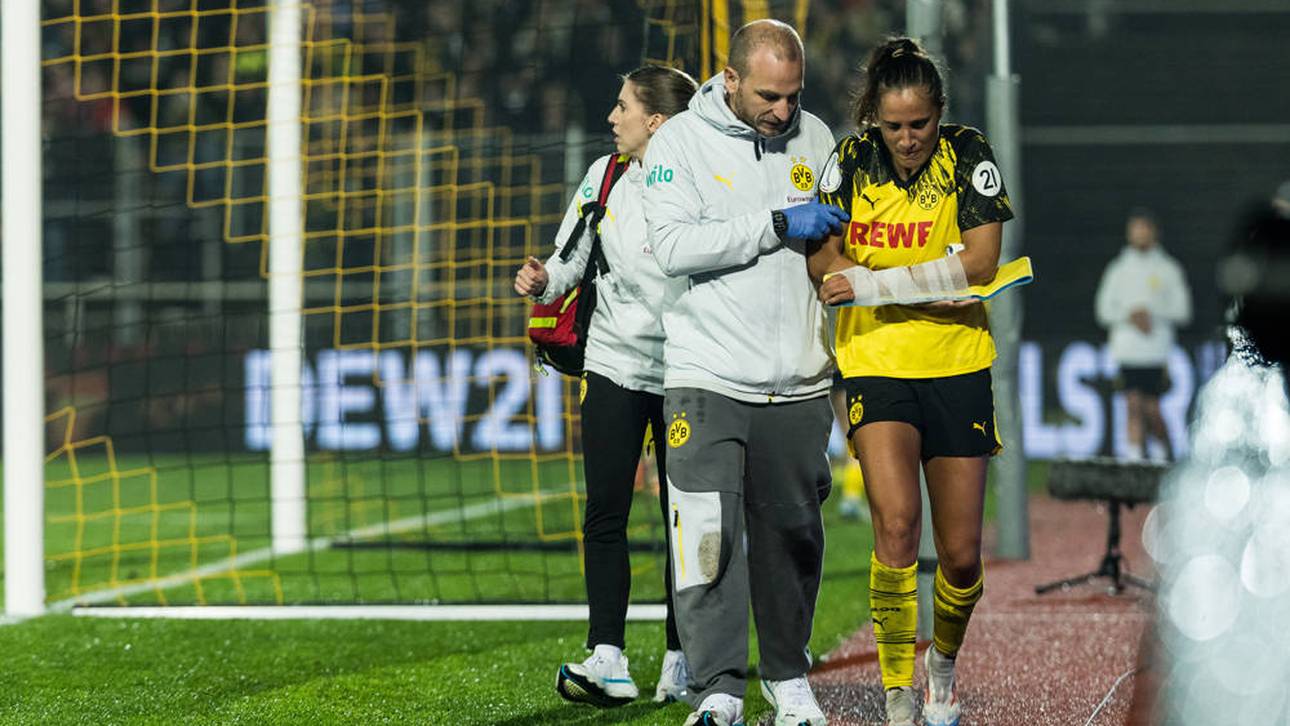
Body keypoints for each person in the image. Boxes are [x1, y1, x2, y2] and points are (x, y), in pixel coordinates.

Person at [807, 37, 1015, 726]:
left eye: (919, 124)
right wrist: (921, 289)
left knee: (959, 557)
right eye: (893, 126)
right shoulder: (849, 158)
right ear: (874, 118)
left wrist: (881, 285)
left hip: (957, 363)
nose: (907, 139)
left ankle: (942, 668)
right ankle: (899, 694)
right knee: (896, 527)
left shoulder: (968, 152)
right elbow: (827, 265)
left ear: (940, 114)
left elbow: (983, 262)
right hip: (875, 362)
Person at [643, 19, 845, 726]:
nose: (782, 112)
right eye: (768, 96)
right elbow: (670, 246)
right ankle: (719, 686)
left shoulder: (819, 140)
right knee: (704, 537)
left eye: (793, 96)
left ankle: (787, 677)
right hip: (706, 375)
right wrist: (774, 224)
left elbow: (836, 249)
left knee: (796, 537)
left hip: (798, 379)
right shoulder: (676, 144)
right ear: (729, 80)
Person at [513, 64, 698, 709]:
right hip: (614, 363)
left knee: (686, 517)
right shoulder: (604, 175)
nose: (610, 117)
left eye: (623, 107)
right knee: (605, 513)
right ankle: (607, 655)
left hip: (689, 370)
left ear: (656, 121)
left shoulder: (702, 177)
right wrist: (545, 280)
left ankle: (683, 653)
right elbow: (571, 259)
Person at [1094, 207, 1192, 462]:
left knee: (1152, 409)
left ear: (1153, 232)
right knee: (1132, 405)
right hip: (1127, 352)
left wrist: (1152, 313)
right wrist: (1130, 315)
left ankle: (1162, 455)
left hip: (1156, 353)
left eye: (1143, 228)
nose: (1138, 234)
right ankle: (1135, 460)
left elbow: (1183, 310)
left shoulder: (1169, 269)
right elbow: (1103, 310)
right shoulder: (1117, 269)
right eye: (1134, 229)